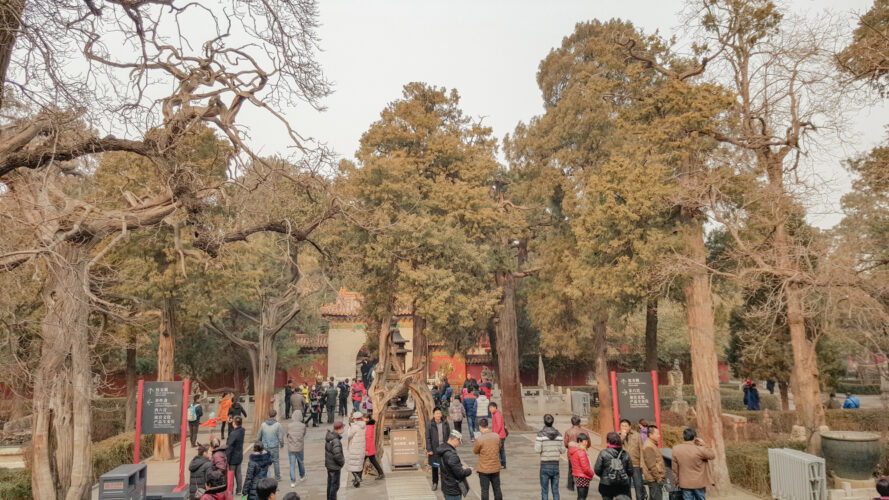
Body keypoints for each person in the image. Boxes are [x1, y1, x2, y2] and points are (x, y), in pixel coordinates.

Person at [672, 428, 716, 500]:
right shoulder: (699, 449)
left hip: (685, 483)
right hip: (699, 483)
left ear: (684, 437)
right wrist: (704, 445)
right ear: (695, 438)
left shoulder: (676, 449)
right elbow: (712, 455)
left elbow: (674, 468)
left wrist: (676, 480)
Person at [594, 431, 633, 500]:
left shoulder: (603, 453)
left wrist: (604, 476)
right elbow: (630, 471)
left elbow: (597, 470)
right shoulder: (625, 454)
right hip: (622, 485)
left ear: (608, 441)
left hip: (606, 485)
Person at [535, 413, 564, 500]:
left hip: (545, 464)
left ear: (544, 422)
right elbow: (563, 450)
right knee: (555, 490)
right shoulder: (559, 435)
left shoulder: (540, 435)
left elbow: (537, 450)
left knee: (544, 490)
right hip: (555, 465)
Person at [474, 417, 503, 500]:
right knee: (497, 489)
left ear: (480, 427)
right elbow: (499, 448)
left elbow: (475, 451)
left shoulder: (480, 439)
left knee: (485, 490)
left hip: (484, 469)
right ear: (487, 426)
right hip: (495, 467)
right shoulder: (496, 436)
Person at [439, 430, 473, 500]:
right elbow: (460, 473)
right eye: (459, 441)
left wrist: (459, 466)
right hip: (453, 489)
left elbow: (450, 466)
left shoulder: (443, 449)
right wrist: (469, 470)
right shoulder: (452, 455)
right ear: (455, 439)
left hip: (446, 485)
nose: (459, 444)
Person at [425, 407, 452, 492]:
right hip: (435, 449)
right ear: (433, 414)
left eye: (439, 413)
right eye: (437, 413)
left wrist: (448, 447)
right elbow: (428, 438)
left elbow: (448, 435)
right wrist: (429, 449)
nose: (438, 415)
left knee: (445, 467)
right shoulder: (430, 424)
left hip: (444, 449)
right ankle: (435, 483)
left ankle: (445, 484)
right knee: (435, 466)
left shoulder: (445, 423)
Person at [619, 418, 645, 500]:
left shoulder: (637, 435)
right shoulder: (617, 436)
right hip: (623, 466)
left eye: (626, 426)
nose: (624, 428)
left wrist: (642, 464)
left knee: (638, 486)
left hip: (635, 465)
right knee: (626, 487)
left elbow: (642, 449)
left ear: (630, 427)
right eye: (622, 426)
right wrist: (622, 438)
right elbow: (615, 448)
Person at [564, 415, 590, 492]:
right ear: (579, 422)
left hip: (571, 454)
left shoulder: (568, 431)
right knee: (583, 468)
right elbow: (588, 444)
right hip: (582, 453)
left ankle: (570, 486)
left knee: (571, 470)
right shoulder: (585, 432)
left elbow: (566, 444)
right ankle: (582, 484)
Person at [257, 409, 284, 480]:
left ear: (268, 415)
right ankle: (277, 476)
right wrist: (281, 444)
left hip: (265, 446)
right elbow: (280, 436)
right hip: (274, 446)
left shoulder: (263, 425)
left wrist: (260, 442)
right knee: (276, 461)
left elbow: (259, 435)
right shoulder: (278, 425)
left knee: (266, 462)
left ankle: (267, 476)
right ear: (275, 416)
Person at [641, 426, 666, 500]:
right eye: (657, 434)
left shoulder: (652, 444)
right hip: (654, 479)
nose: (659, 435)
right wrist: (658, 478)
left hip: (654, 478)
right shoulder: (649, 446)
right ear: (650, 435)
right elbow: (651, 466)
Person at [568, 433, 595, 500]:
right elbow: (585, 468)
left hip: (578, 475)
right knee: (582, 497)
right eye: (584, 441)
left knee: (580, 496)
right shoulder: (581, 452)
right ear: (579, 441)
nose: (586, 443)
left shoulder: (574, 450)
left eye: (586, 441)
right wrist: (591, 474)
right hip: (583, 476)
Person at [225, 415, 246, 495]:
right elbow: (235, 428)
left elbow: (229, 446)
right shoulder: (242, 430)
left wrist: (227, 457)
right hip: (239, 455)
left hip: (232, 457)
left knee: (231, 475)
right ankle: (239, 490)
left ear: (234, 423)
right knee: (238, 474)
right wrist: (231, 423)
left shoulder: (234, 434)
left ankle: (231, 490)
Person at [325, 421, 346, 500]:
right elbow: (337, 454)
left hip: (329, 465)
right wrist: (342, 462)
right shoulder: (335, 440)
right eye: (343, 428)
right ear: (339, 429)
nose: (343, 429)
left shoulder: (330, 437)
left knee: (330, 485)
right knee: (334, 486)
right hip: (334, 466)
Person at [286, 409, 307, 486]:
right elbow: (304, 434)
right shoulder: (303, 426)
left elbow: (287, 434)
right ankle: (302, 476)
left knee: (292, 464)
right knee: (301, 461)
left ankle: (293, 481)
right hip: (300, 446)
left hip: (291, 447)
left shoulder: (289, 425)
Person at [346, 411, 367, 488]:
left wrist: (349, 428)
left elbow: (349, 435)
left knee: (351, 465)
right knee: (358, 464)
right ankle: (356, 480)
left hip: (354, 447)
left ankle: (357, 478)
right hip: (361, 447)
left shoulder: (354, 427)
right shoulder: (364, 426)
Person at [364, 414, 385, 480]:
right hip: (370, 447)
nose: (363, 419)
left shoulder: (368, 427)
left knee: (362, 462)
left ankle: (358, 477)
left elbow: (367, 439)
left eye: (364, 418)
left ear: (367, 419)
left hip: (368, 448)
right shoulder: (370, 426)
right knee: (373, 461)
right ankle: (381, 473)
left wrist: (366, 449)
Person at [489, 402, 507, 468]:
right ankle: (502, 464)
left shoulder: (497, 415)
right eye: (489, 408)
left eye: (491, 408)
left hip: (499, 435)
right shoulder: (495, 414)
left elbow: (499, 426)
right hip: (499, 435)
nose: (490, 409)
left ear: (495, 407)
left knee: (499, 450)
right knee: (501, 450)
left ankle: (500, 464)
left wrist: (495, 434)